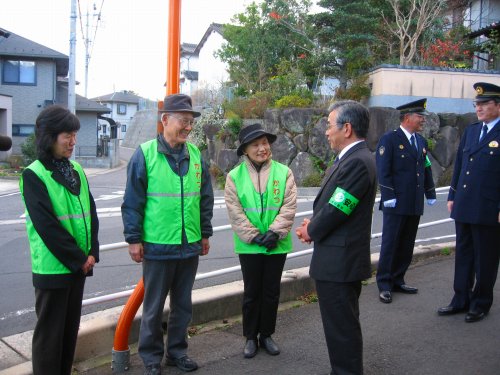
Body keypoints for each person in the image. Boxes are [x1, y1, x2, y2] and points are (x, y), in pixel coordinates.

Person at [121, 94, 214, 374]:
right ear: (165, 120)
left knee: (183, 306)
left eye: (190, 122)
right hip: (158, 244)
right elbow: (132, 201)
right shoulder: (146, 153)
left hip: (189, 244)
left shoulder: (195, 154)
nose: (188, 127)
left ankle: (176, 353)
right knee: (153, 307)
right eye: (183, 121)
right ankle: (151, 358)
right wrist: (133, 239)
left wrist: (205, 233)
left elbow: (204, 198)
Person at [296, 100, 377, 375]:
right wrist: (315, 223)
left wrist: (311, 230)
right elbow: (336, 205)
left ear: (347, 128)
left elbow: (339, 209)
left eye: (330, 126)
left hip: (340, 262)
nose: (326, 132)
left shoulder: (357, 162)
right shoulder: (353, 159)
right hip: (338, 257)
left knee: (342, 329)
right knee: (341, 326)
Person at [19, 105, 99, 375]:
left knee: (68, 333)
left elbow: (91, 211)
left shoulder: (75, 168)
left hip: (78, 267)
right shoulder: (33, 174)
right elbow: (47, 226)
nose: (73, 141)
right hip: (54, 268)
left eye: (74, 135)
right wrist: (79, 259)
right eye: (68, 135)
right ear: (49, 136)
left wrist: (92, 252)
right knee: (49, 338)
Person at [224, 123, 297, 359]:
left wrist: (275, 232)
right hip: (250, 245)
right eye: (255, 144)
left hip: (277, 243)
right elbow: (235, 211)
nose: (262, 148)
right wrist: (254, 235)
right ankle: (249, 337)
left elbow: (289, 205)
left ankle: (266, 334)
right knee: (252, 292)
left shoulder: (284, 172)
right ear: (245, 149)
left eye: (265, 143)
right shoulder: (234, 177)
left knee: (271, 292)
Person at [438, 82, 500, 323]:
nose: (479, 108)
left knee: (485, 258)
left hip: (489, 207)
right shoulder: (472, 131)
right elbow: (460, 167)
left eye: (484, 104)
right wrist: (452, 196)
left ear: (498, 105)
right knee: (463, 254)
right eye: (477, 104)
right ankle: (460, 298)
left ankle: (481, 303)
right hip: (464, 203)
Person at [375, 98, 436, 304]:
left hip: (414, 202)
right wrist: (388, 195)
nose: (423, 120)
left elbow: (425, 168)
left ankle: (398, 279)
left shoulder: (421, 141)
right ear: (407, 117)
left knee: (407, 243)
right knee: (391, 243)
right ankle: (384, 283)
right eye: (420, 117)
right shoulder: (389, 139)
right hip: (396, 202)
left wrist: (430, 193)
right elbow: (383, 171)